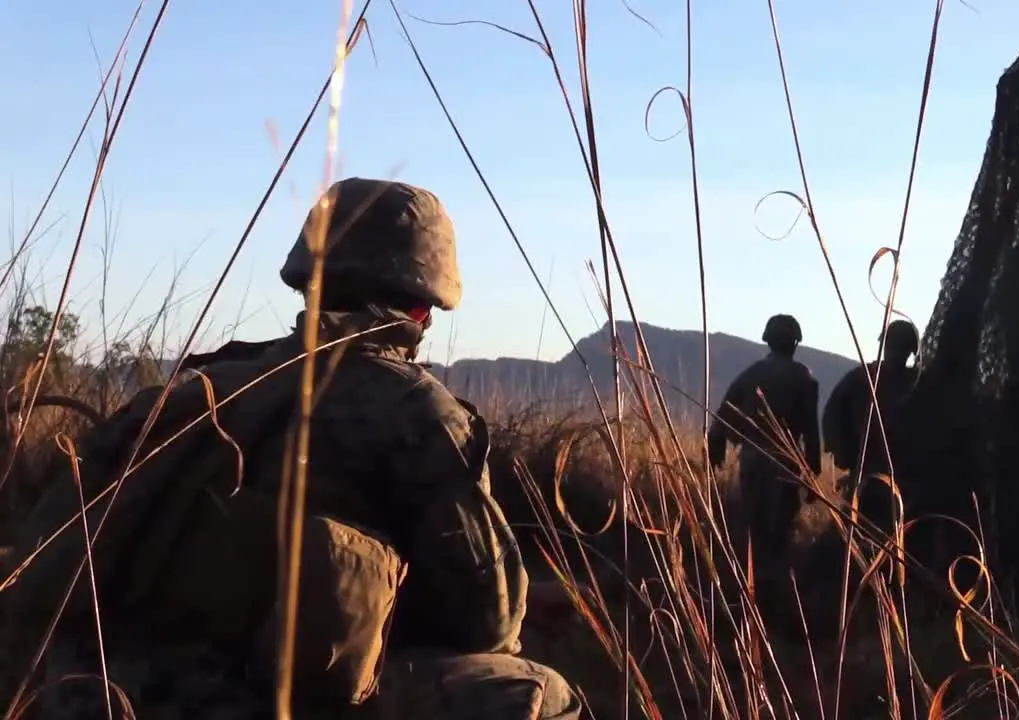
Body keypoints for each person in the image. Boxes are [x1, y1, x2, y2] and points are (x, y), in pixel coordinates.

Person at [2, 177, 581, 719]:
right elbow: (489, 621)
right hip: (248, 700)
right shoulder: (418, 412)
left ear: (310, 281)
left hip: (102, 688)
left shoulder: (213, 385)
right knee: (540, 692)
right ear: (423, 308)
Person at [707, 314, 822, 574]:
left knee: (753, 527)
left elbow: (720, 418)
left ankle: (751, 580)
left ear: (768, 340)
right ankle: (774, 584)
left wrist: (715, 452)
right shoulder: (804, 379)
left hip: (751, 461)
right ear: (795, 343)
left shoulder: (751, 374)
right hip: (785, 466)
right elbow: (811, 432)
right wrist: (812, 473)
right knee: (779, 534)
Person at [822, 319, 920, 521]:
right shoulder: (863, 377)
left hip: (902, 482)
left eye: (900, 348)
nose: (896, 352)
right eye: (894, 347)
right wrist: (846, 458)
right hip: (867, 475)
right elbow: (832, 418)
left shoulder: (918, 383)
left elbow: (831, 417)